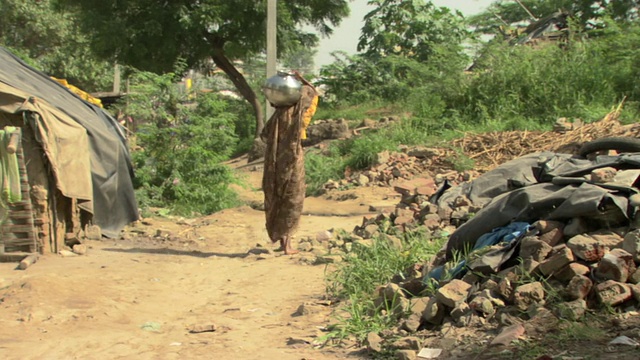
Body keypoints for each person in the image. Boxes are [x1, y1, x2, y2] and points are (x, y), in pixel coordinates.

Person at [261, 72, 318, 254]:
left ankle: (281, 241)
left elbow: (263, 135)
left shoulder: (277, 116)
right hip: (292, 161)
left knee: (276, 197)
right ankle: (288, 245)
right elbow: (313, 94)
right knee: (293, 198)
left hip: (274, 162)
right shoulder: (299, 113)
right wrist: (302, 80)